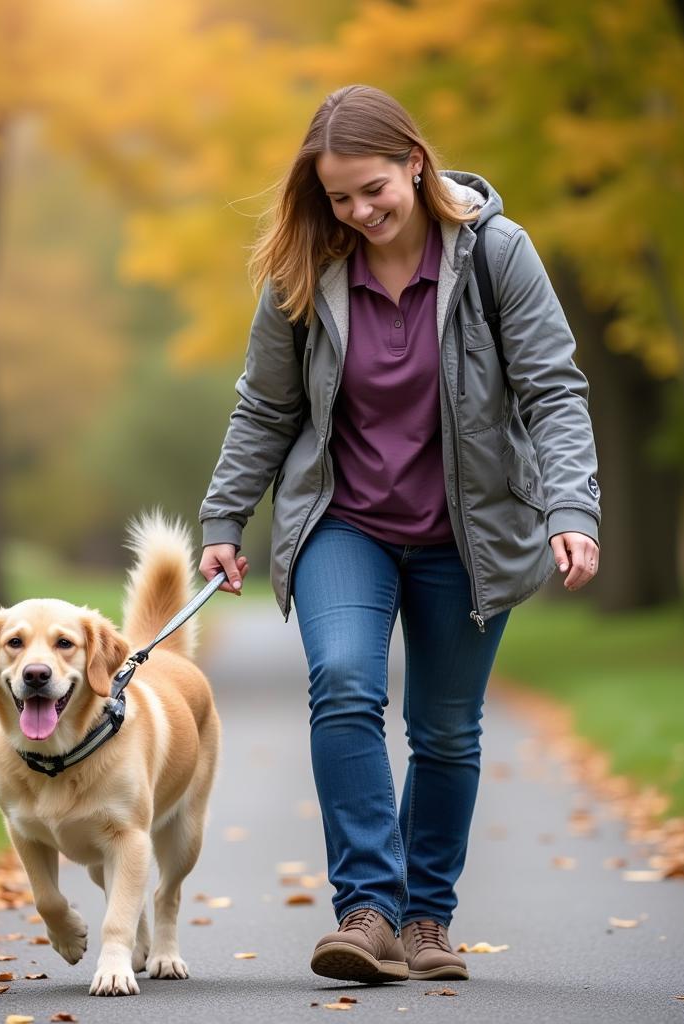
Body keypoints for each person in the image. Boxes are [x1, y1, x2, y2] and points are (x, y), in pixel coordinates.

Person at [198, 84, 600, 985]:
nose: (359, 212)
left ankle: (427, 920)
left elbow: (553, 390)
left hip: (472, 533)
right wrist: (224, 519)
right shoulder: (307, 267)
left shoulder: (497, 253)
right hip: (348, 519)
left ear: (415, 163)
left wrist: (573, 509)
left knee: (446, 730)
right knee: (343, 681)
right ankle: (369, 910)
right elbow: (266, 406)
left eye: (373, 189)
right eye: (338, 197)